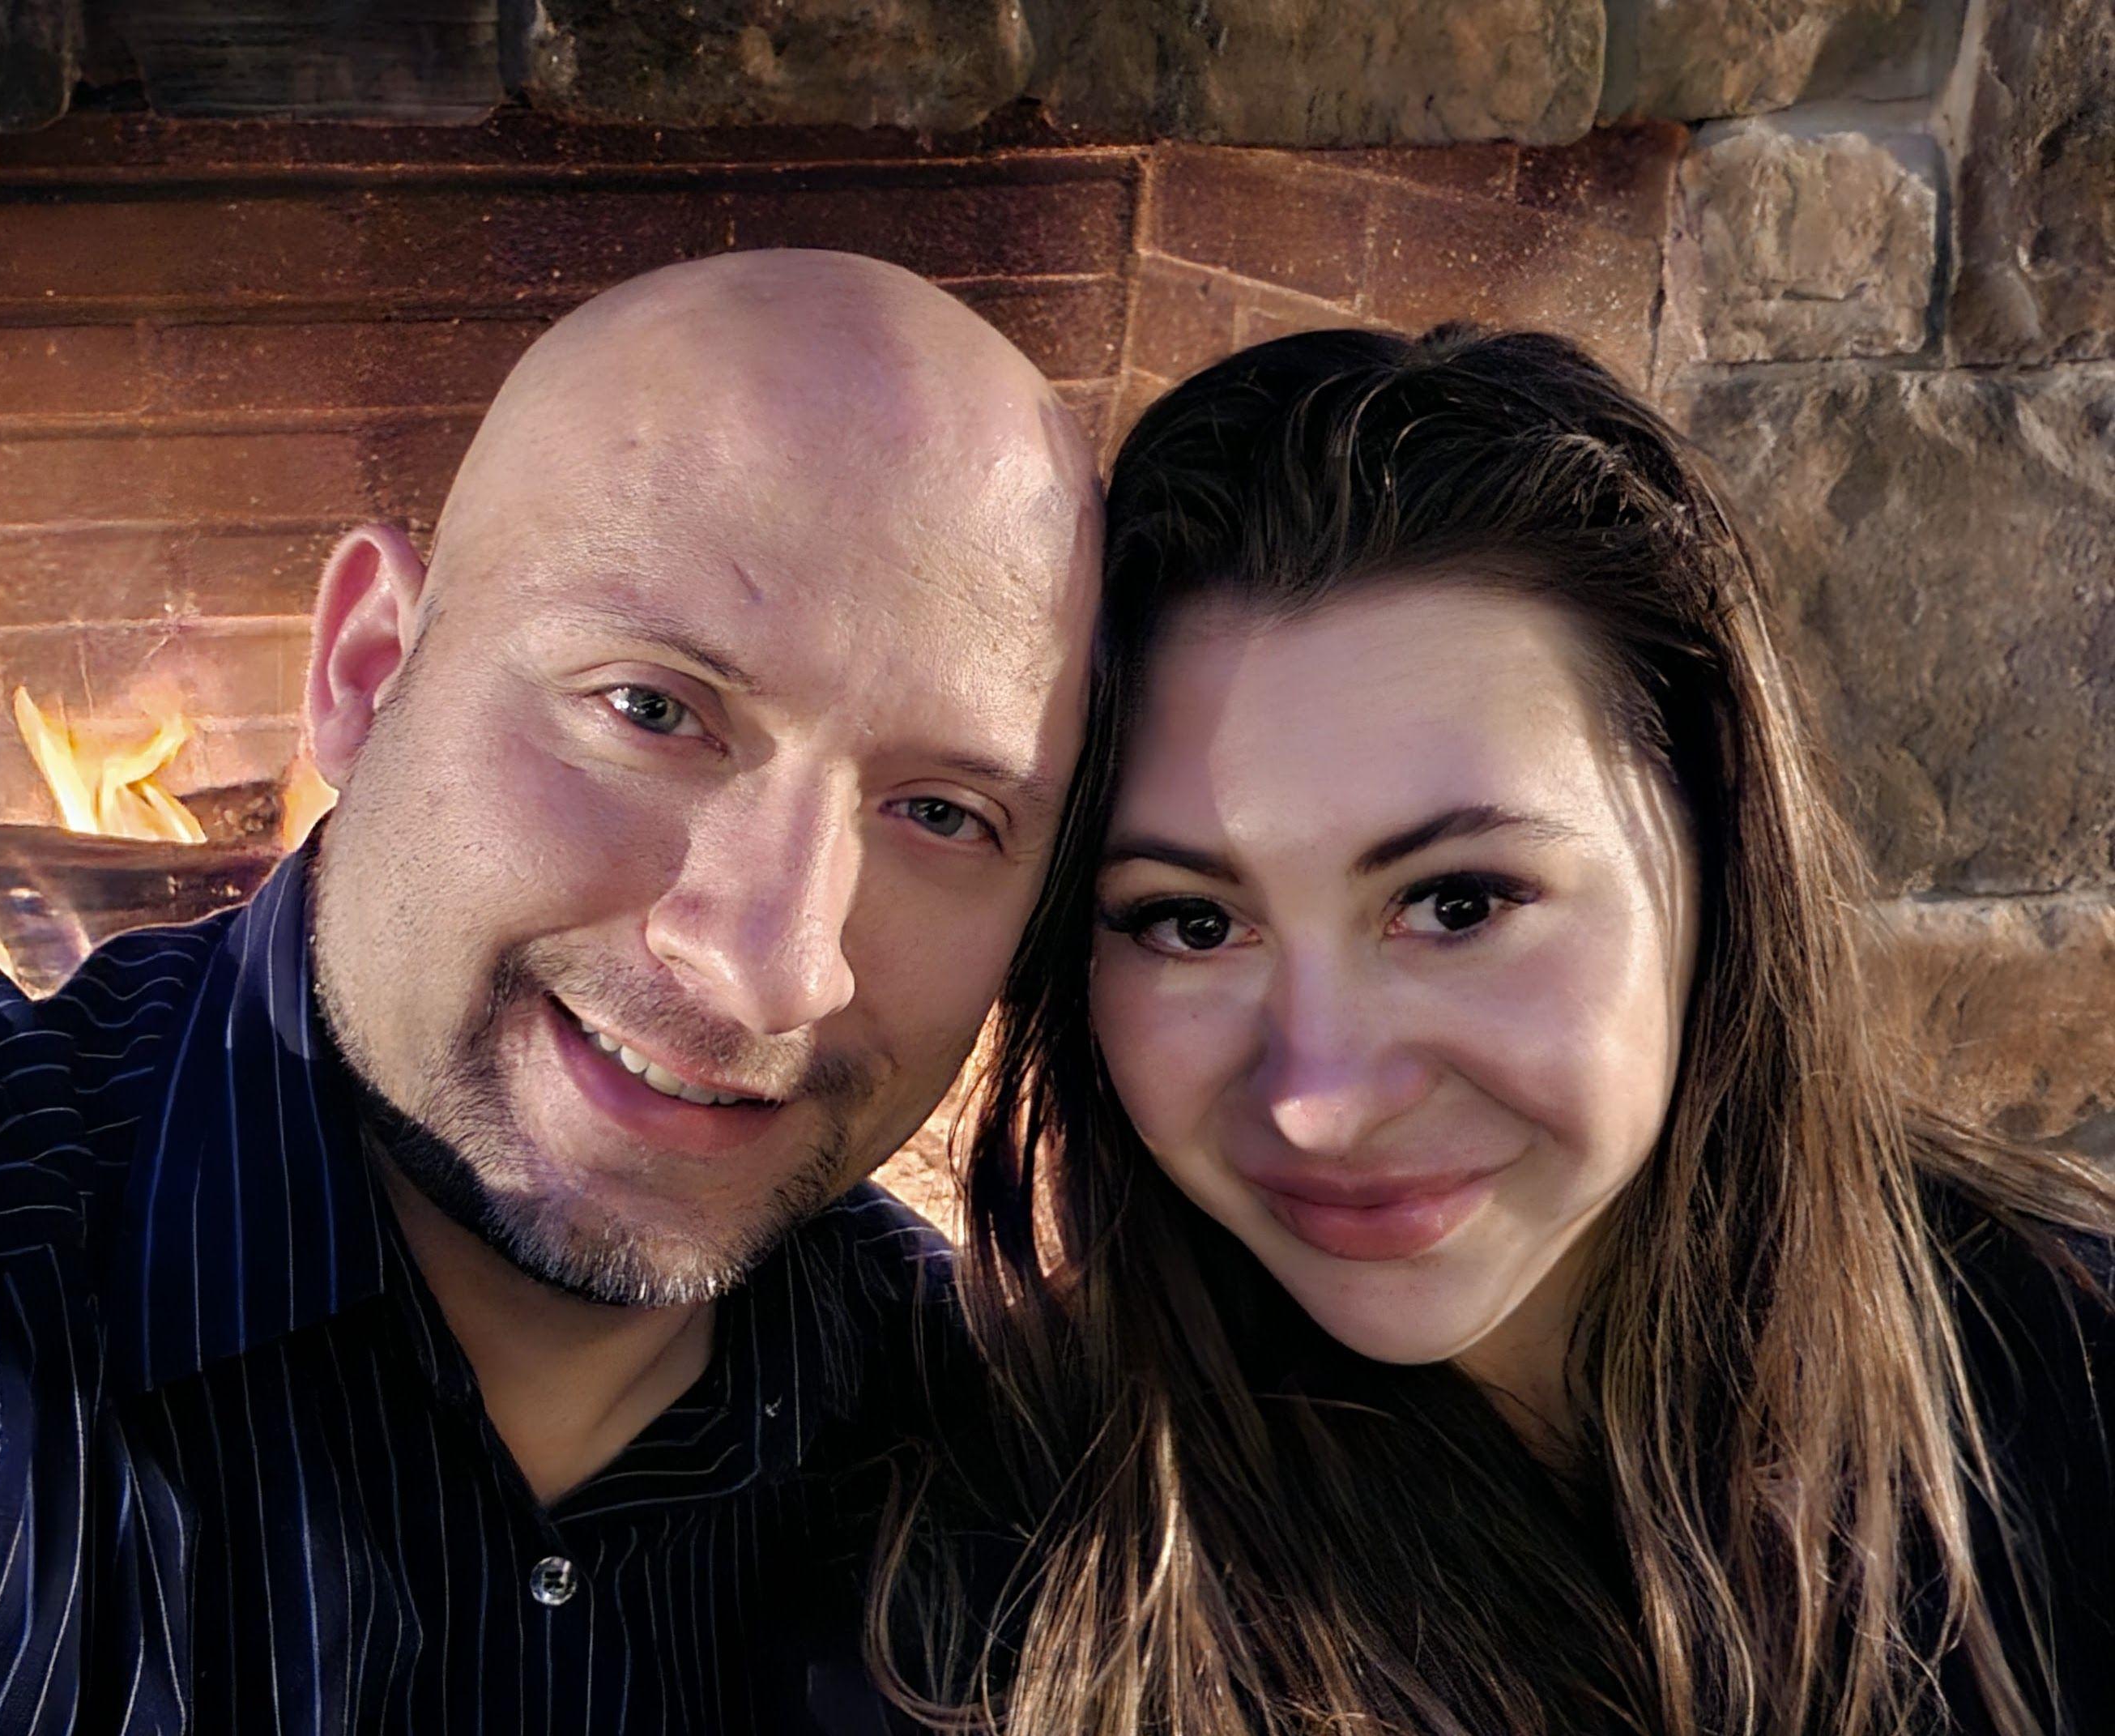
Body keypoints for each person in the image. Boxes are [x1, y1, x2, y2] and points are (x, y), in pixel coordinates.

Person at [0, 249, 1102, 1734]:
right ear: (367, 674)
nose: (772, 967)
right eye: (651, 709)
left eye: (943, 814)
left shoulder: (970, 1442)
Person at [877, 326, 2115, 1735]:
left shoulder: (2075, 1385)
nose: (1323, 1101)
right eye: (1190, 922)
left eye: (1457, 903)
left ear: (1717, 840)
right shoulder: (990, 1569)